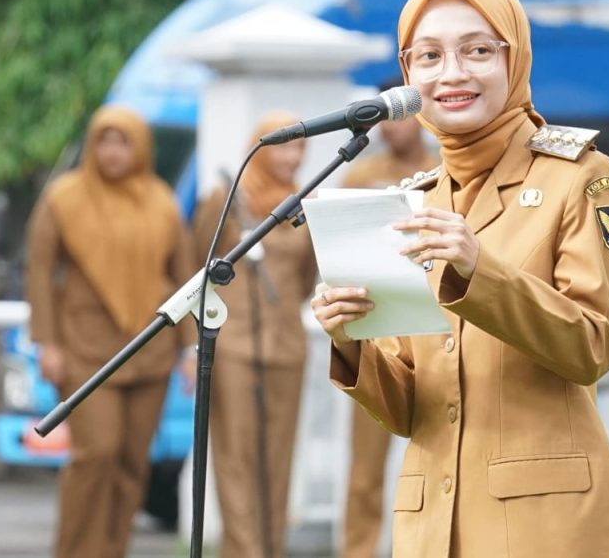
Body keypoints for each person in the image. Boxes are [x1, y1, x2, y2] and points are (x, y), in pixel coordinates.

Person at [311, 0, 609, 557]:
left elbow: (592, 349)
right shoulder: (418, 200)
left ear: (515, 60)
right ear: (408, 74)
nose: (453, 73)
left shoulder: (579, 176)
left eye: (478, 51)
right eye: (430, 56)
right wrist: (350, 341)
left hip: (548, 525)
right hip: (434, 526)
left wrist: (479, 268)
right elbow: (411, 409)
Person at [25, 106, 195, 558]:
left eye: (124, 142)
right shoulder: (64, 197)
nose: (113, 152)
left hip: (149, 350)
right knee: (95, 454)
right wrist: (47, 343)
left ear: (140, 148)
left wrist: (190, 348)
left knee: (130, 462)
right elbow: (41, 271)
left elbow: (184, 279)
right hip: (84, 348)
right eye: (104, 141)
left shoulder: (160, 201)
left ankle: (111, 550)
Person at [191, 113, 319, 558]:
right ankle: (243, 551)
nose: (293, 157)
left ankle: (272, 549)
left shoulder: (306, 203)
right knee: (235, 457)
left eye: (300, 148)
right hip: (233, 347)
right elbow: (198, 268)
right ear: (261, 149)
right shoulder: (225, 200)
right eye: (284, 147)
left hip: (286, 347)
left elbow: (306, 279)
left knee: (278, 459)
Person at [339, 101, 440, 558]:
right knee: (365, 467)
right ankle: (359, 550)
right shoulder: (361, 176)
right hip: (376, 328)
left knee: (441, 457)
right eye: (378, 120)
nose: (386, 129)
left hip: (438, 328)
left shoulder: (443, 171)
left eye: (394, 117)